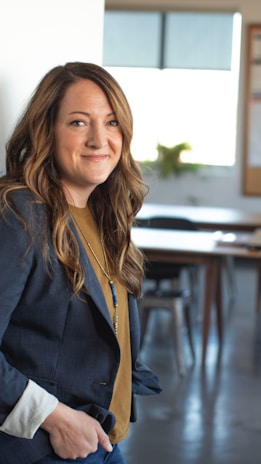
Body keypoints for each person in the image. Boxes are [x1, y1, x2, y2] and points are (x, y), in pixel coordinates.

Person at [0, 62, 161, 464]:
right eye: (77, 122)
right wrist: (53, 417)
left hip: (102, 439)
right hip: (47, 446)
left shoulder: (105, 215)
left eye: (111, 123)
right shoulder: (20, 214)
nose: (98, 139)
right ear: (46, 130)